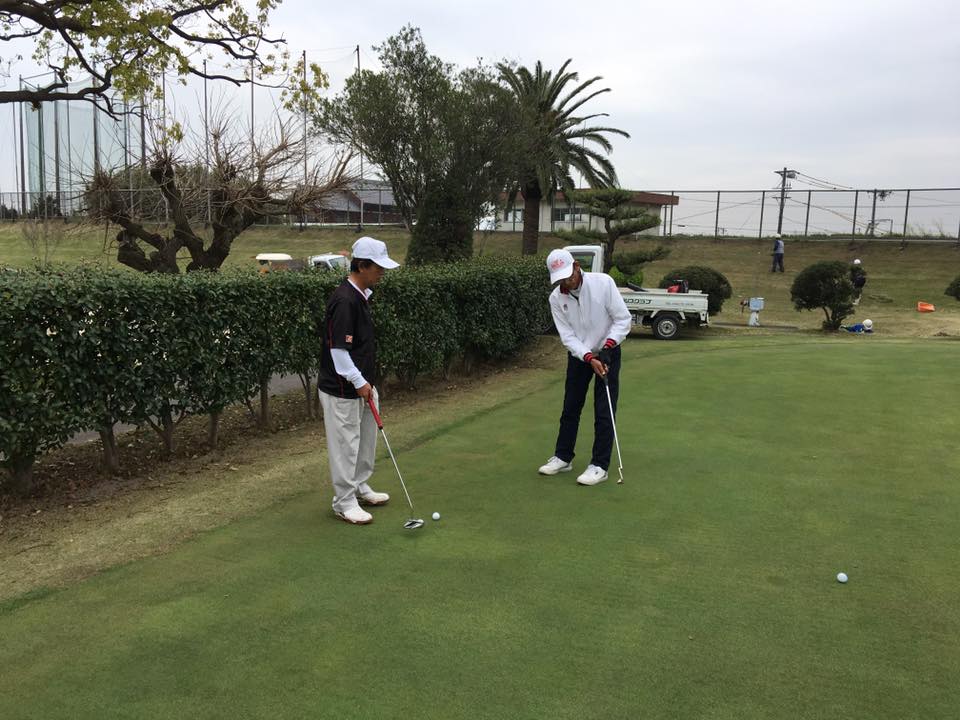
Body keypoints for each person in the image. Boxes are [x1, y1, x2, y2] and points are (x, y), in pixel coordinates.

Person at [318, 236, 400, 525]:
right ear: (362, 266)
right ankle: (344, 501)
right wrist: (359, 382)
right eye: (378, 267)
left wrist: (366, 384)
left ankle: (360, 486)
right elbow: (338, 352)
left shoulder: (361, 296)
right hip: (342, 388)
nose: (382, 273)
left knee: (365, 441)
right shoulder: (344, 300)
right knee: (346, 445)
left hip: (362, 385)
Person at [538, 249, 632, 486]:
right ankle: (563, 457)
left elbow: (623, 319)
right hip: (580, 356)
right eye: (561, 279)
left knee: (604, 410)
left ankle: (599, 465)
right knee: (570, 407)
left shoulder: (603, 283)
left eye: (568, 275)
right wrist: (588, 357)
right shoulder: (556, 299)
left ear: (577, 266)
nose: (566, 282)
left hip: (609, 352)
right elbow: (567, 336)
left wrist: (608, 347)